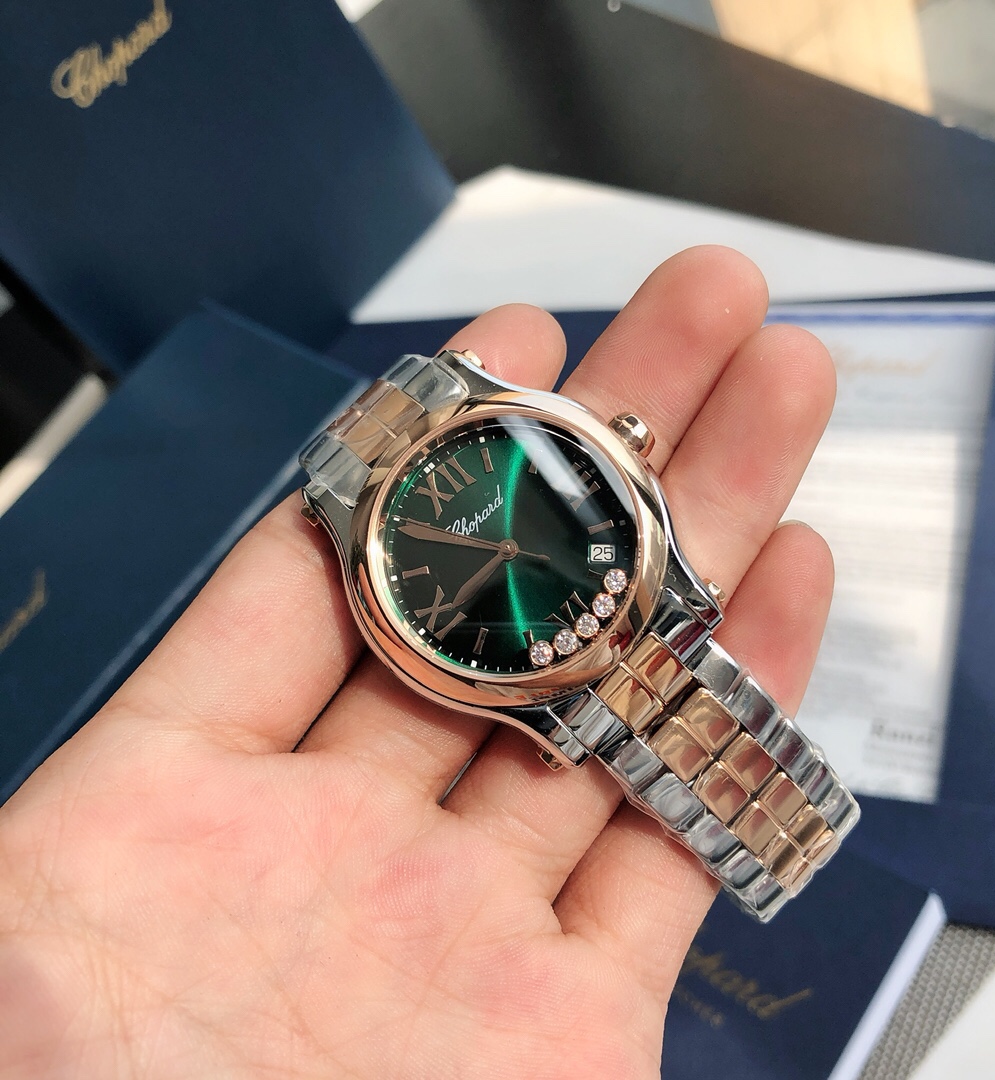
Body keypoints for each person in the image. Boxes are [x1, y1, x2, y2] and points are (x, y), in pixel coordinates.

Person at [0, 247, 835, 1078]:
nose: (504, 549)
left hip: (633, 614)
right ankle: (789, 845)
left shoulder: (529, 452)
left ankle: (804, 830)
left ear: (621, 445)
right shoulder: (396, 583)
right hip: (560, 683)